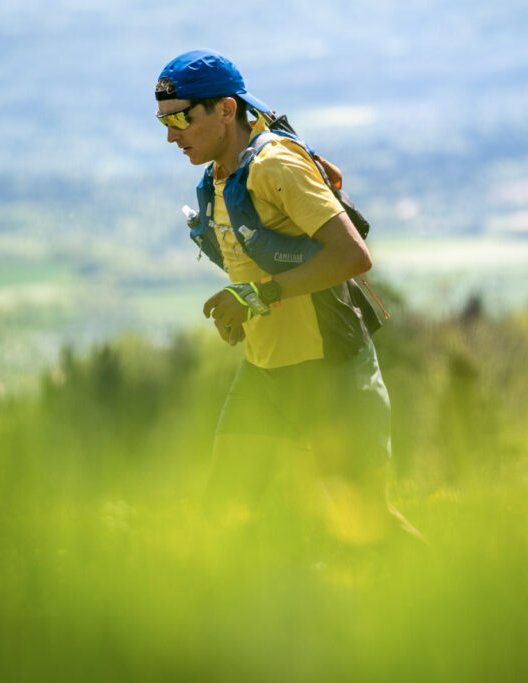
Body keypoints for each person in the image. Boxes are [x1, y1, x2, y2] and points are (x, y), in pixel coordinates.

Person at [155, 49, 422, 546]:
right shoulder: (218, 175)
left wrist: (259, 296)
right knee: (223, 516)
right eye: (165, 122)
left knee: (369, 525)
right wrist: (245, 309)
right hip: (264, 371)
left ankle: (476, 606)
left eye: (182, 118)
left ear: (226, 111)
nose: (172, 135)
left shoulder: (276, 165)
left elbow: (353, 257)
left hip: (330, 371)